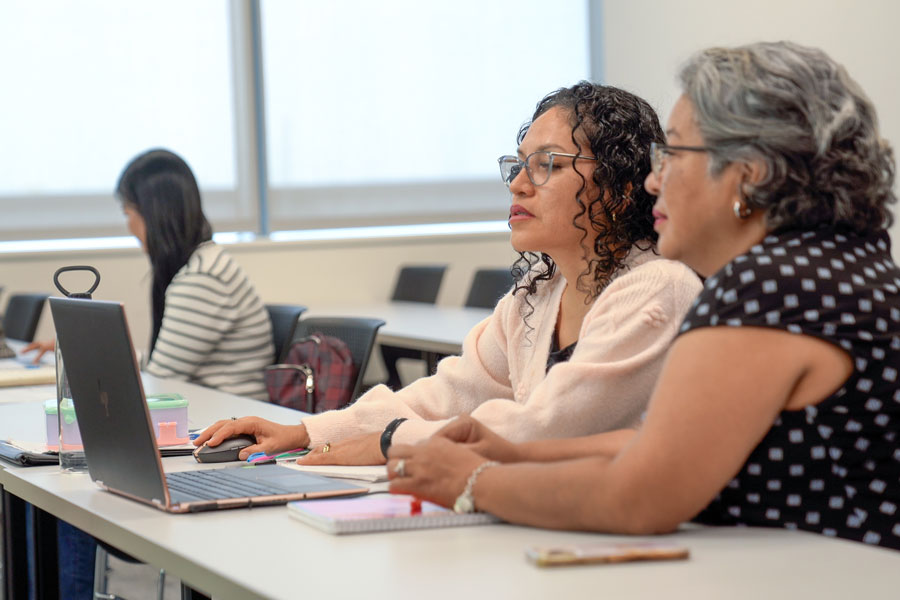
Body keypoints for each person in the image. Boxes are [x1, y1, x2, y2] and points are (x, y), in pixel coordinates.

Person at [386, 41, 900, 552]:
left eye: (673, 153)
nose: (653, 181)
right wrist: (512, 455)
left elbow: (639, 498)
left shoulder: (770, 289)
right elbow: (664, 445)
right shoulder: (836, 266)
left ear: (749, 175)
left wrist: (472, 482)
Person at [195, 82, 702, 464]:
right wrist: (310, 432)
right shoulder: (538, 294)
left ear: (617, 186)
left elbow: (544, 430)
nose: (518, 185)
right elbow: (447, 395)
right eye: (517, 165)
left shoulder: (659, 287)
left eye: (546, 164)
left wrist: (392, 442)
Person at [24, 149, 275, 400]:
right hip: (216, 413)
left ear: (153, 214)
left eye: (128, 214)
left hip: (230, 422)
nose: (128, 225)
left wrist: (90, 361)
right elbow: (161, 365)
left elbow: (160, 380)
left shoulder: (202, 280)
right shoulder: (204, 265)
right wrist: (84, 352)